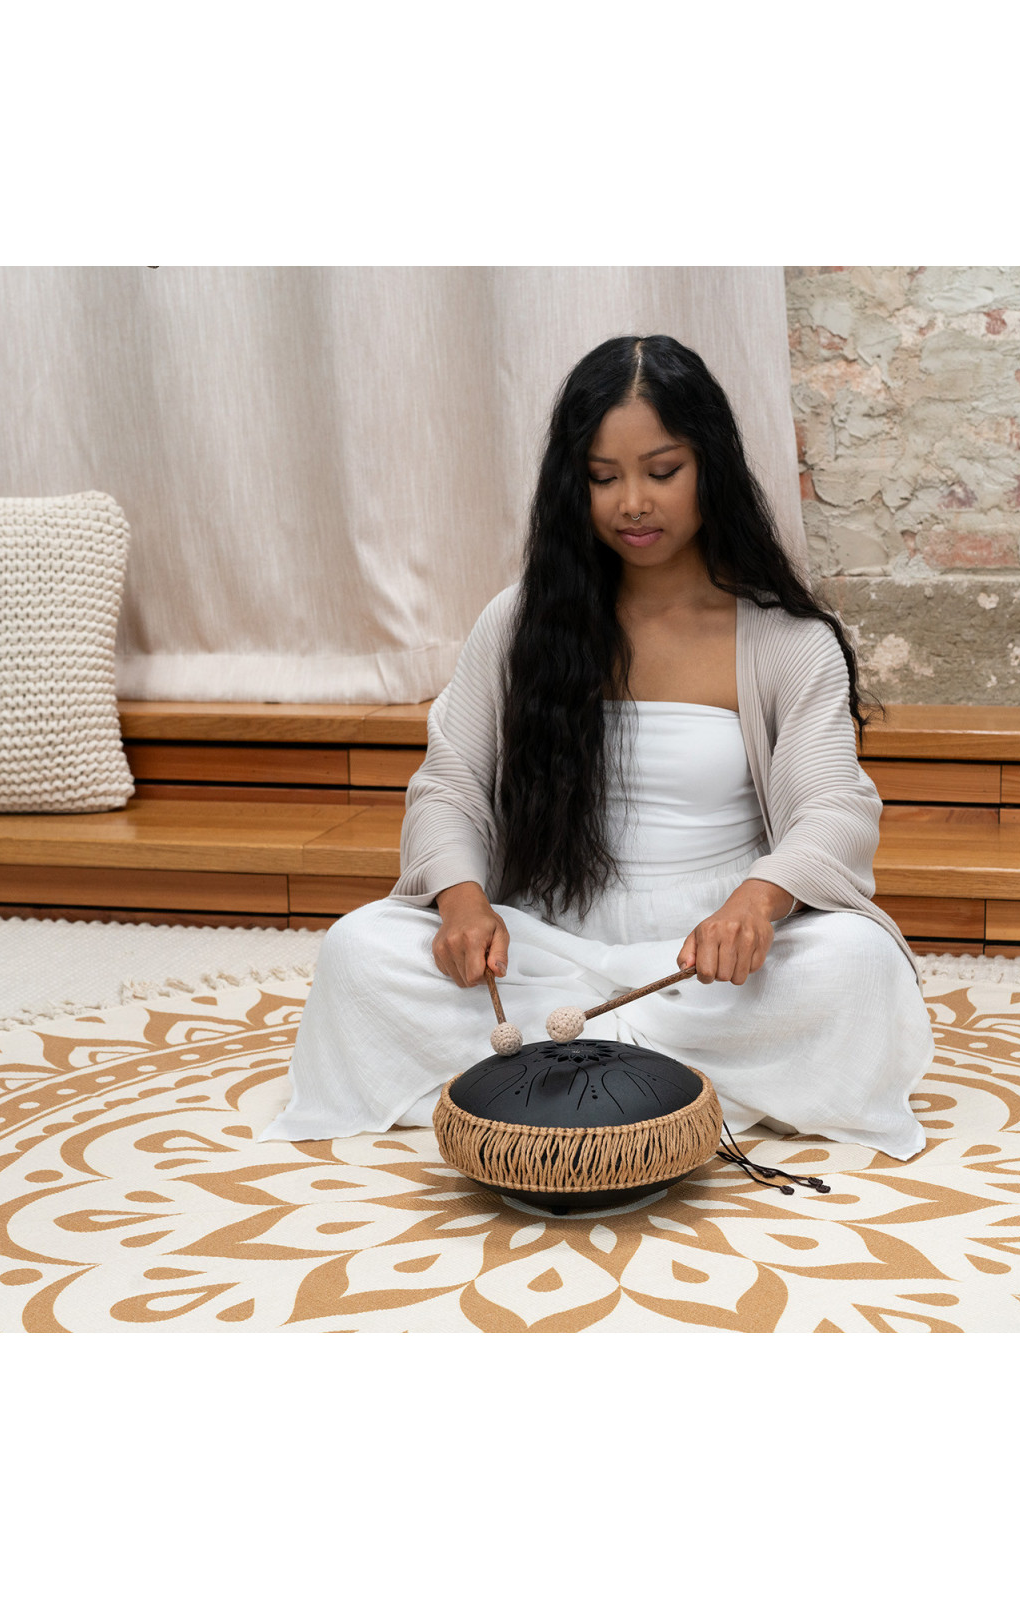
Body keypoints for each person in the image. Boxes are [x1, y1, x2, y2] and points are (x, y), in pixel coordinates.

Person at [261, 334, 933, 1158]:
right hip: (543, 946)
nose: (632, 503)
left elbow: (834, 805)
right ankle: (649, 1073)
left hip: (705, 962)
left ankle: (554, 1070)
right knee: (359, 951)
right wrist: (463, 903)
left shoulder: (787, 639)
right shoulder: (516, 621)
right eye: (603, 477)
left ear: (711, 467)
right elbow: (451, 784)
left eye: (662, 471)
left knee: (856, 962)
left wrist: (757, 904)